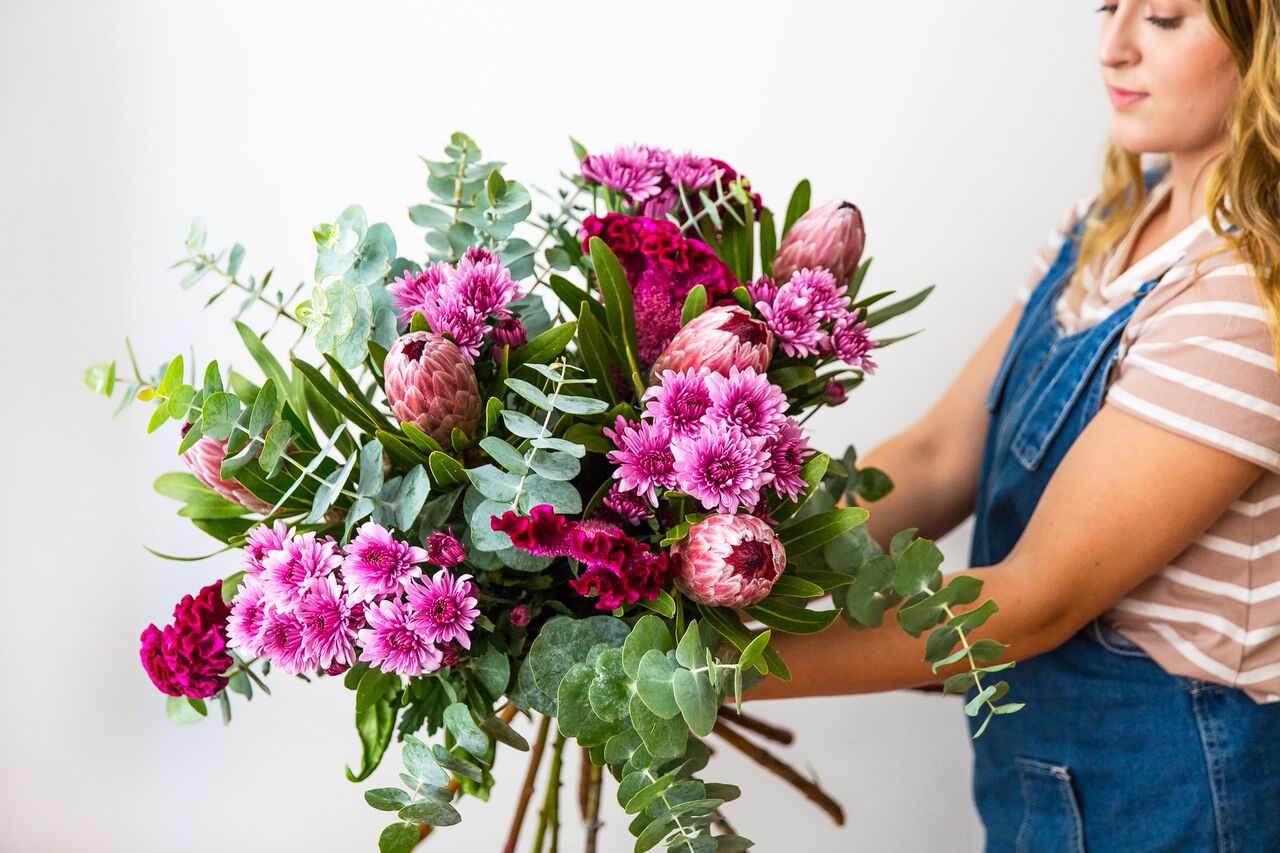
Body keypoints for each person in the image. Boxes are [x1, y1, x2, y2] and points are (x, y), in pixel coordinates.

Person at [739, 3, 1280, 850]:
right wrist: (719, 561)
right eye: (1109, 6)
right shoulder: (1103, 228)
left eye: (1167, 18)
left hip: (1176, 800)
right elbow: (934, 455)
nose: (1114, 46)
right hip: (1052, 791)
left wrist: (702, 668)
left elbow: (1038, 597)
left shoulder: (1248, 290)